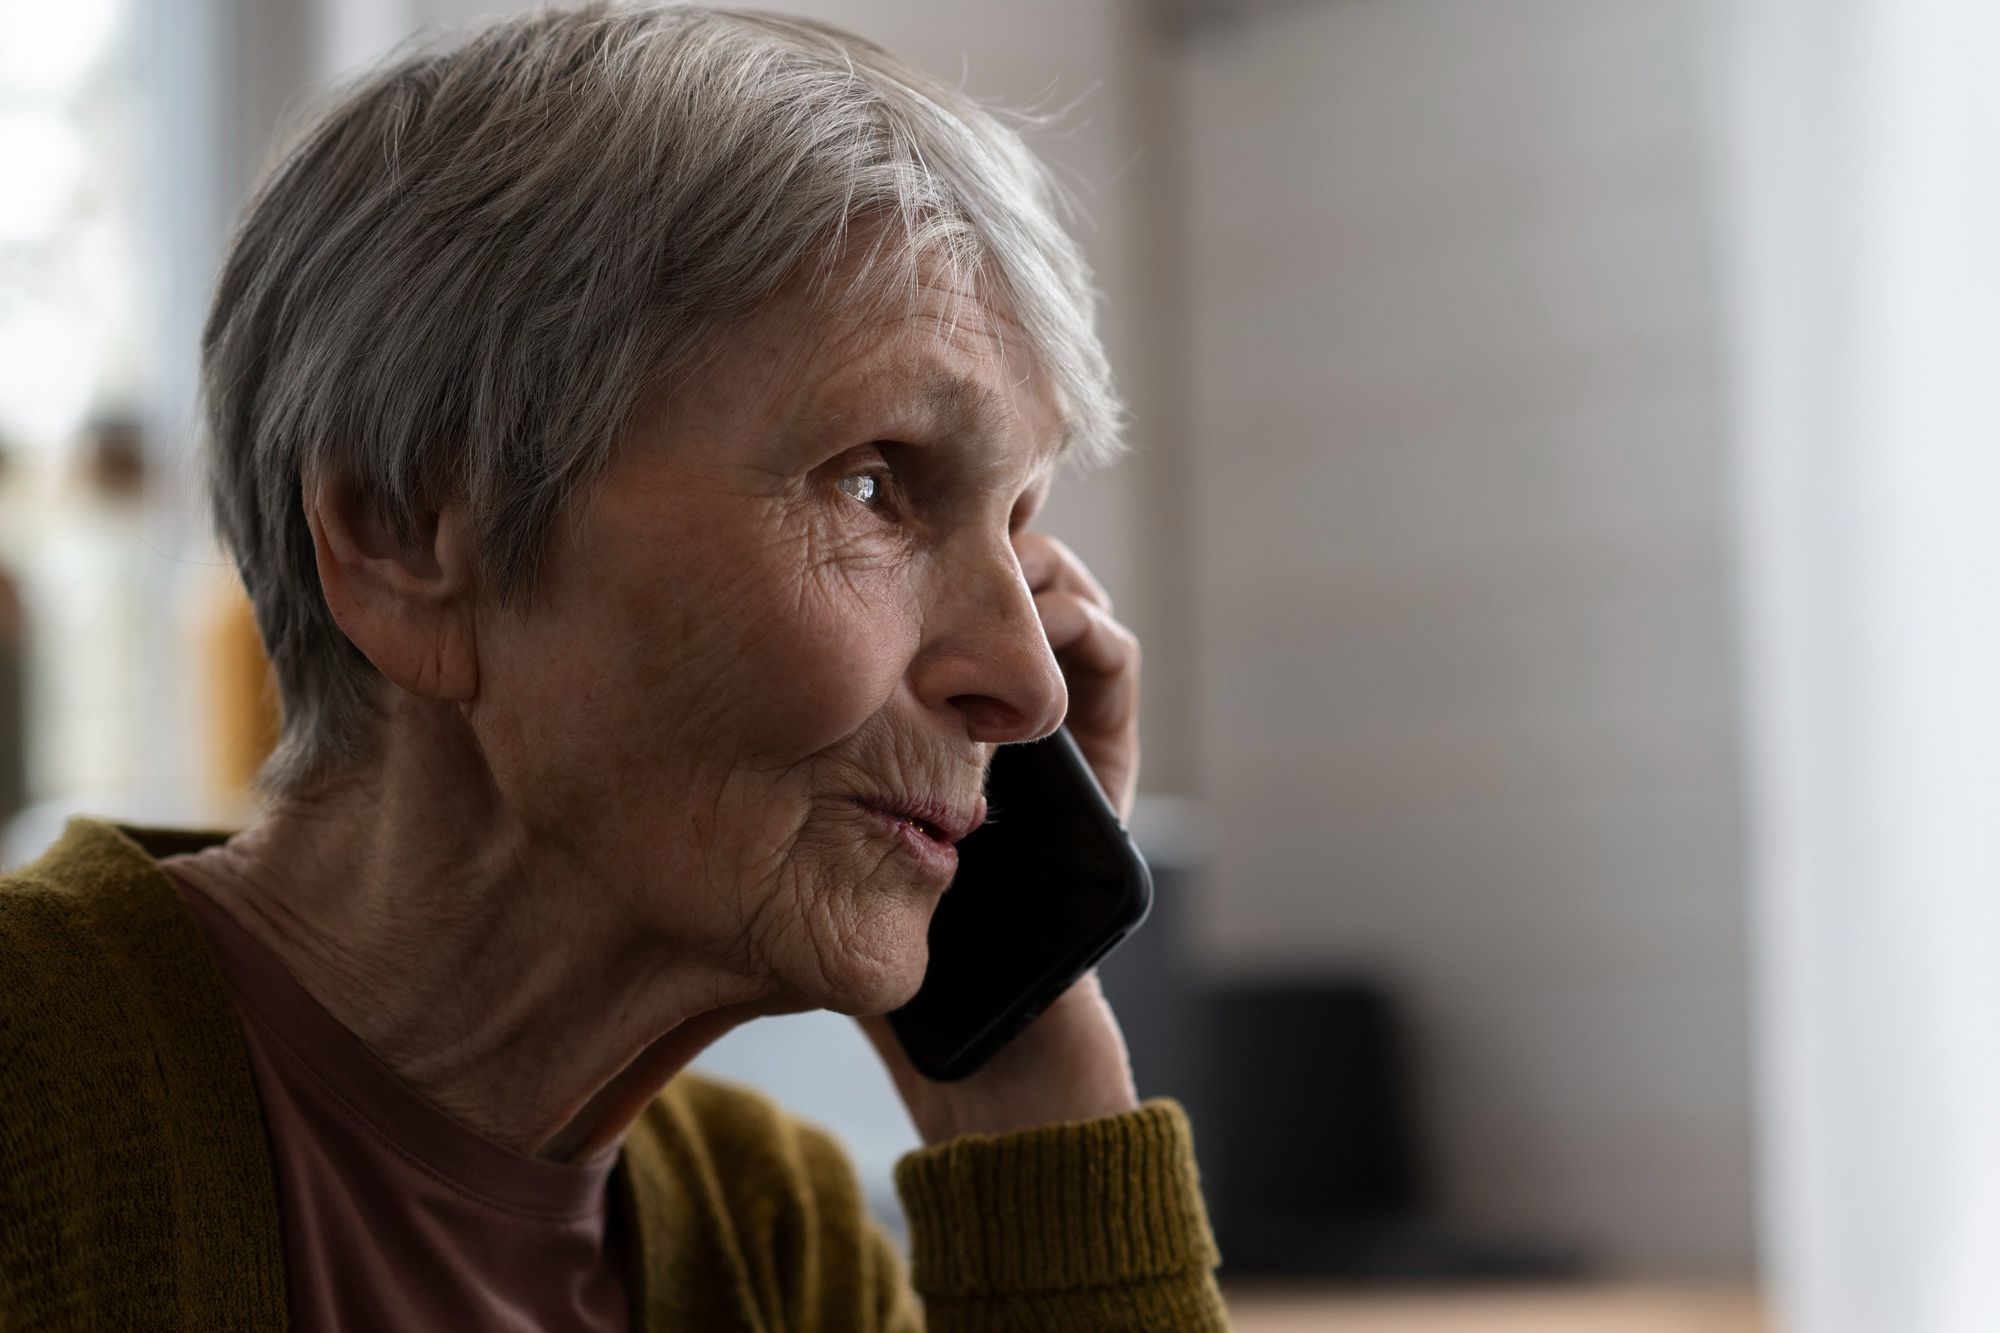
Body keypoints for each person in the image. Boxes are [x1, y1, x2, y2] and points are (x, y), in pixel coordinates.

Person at [0, 6, 1229, 1329]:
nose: (1031, 684)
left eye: (1018, 526)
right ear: (403, 536)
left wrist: (1025, 1066)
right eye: (875, 484)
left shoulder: (782, 1244)